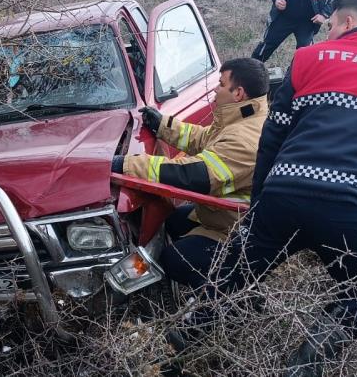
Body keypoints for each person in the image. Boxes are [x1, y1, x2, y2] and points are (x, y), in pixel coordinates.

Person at [224, 0, 357, 376]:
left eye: (332, 25)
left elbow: (273, 135)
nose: (328, 31)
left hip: (283, 194)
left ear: (347, 23)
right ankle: (305, 367)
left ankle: (179, 346)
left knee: (232, 275)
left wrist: (260, 203)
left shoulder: (307, 58)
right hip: (353, 208)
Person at [111, 58, 269, 291]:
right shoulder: (243, 117)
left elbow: (194, 175)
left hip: (239, 231)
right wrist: (163, 125)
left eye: (221, 84)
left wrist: (125, 164)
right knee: (173, 220)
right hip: (223, 217)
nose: (215, 89)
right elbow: (203, 139)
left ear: (238, 93)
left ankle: (221, 298)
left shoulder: (246, 138)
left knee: (175, 260)